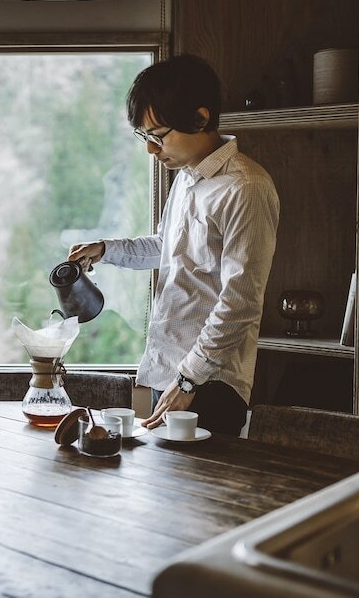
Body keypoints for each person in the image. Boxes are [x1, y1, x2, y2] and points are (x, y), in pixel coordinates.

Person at [68, 54, 279, 436]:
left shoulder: (245, 188)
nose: (151, 149)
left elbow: (241, 301)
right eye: (145, 137)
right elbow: (167, 247)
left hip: (210, 382)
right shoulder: (184, 178)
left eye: (158, 135)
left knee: (204, 495)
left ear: (200, 119)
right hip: (168, 372)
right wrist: (106, 249)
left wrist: (189, 380)